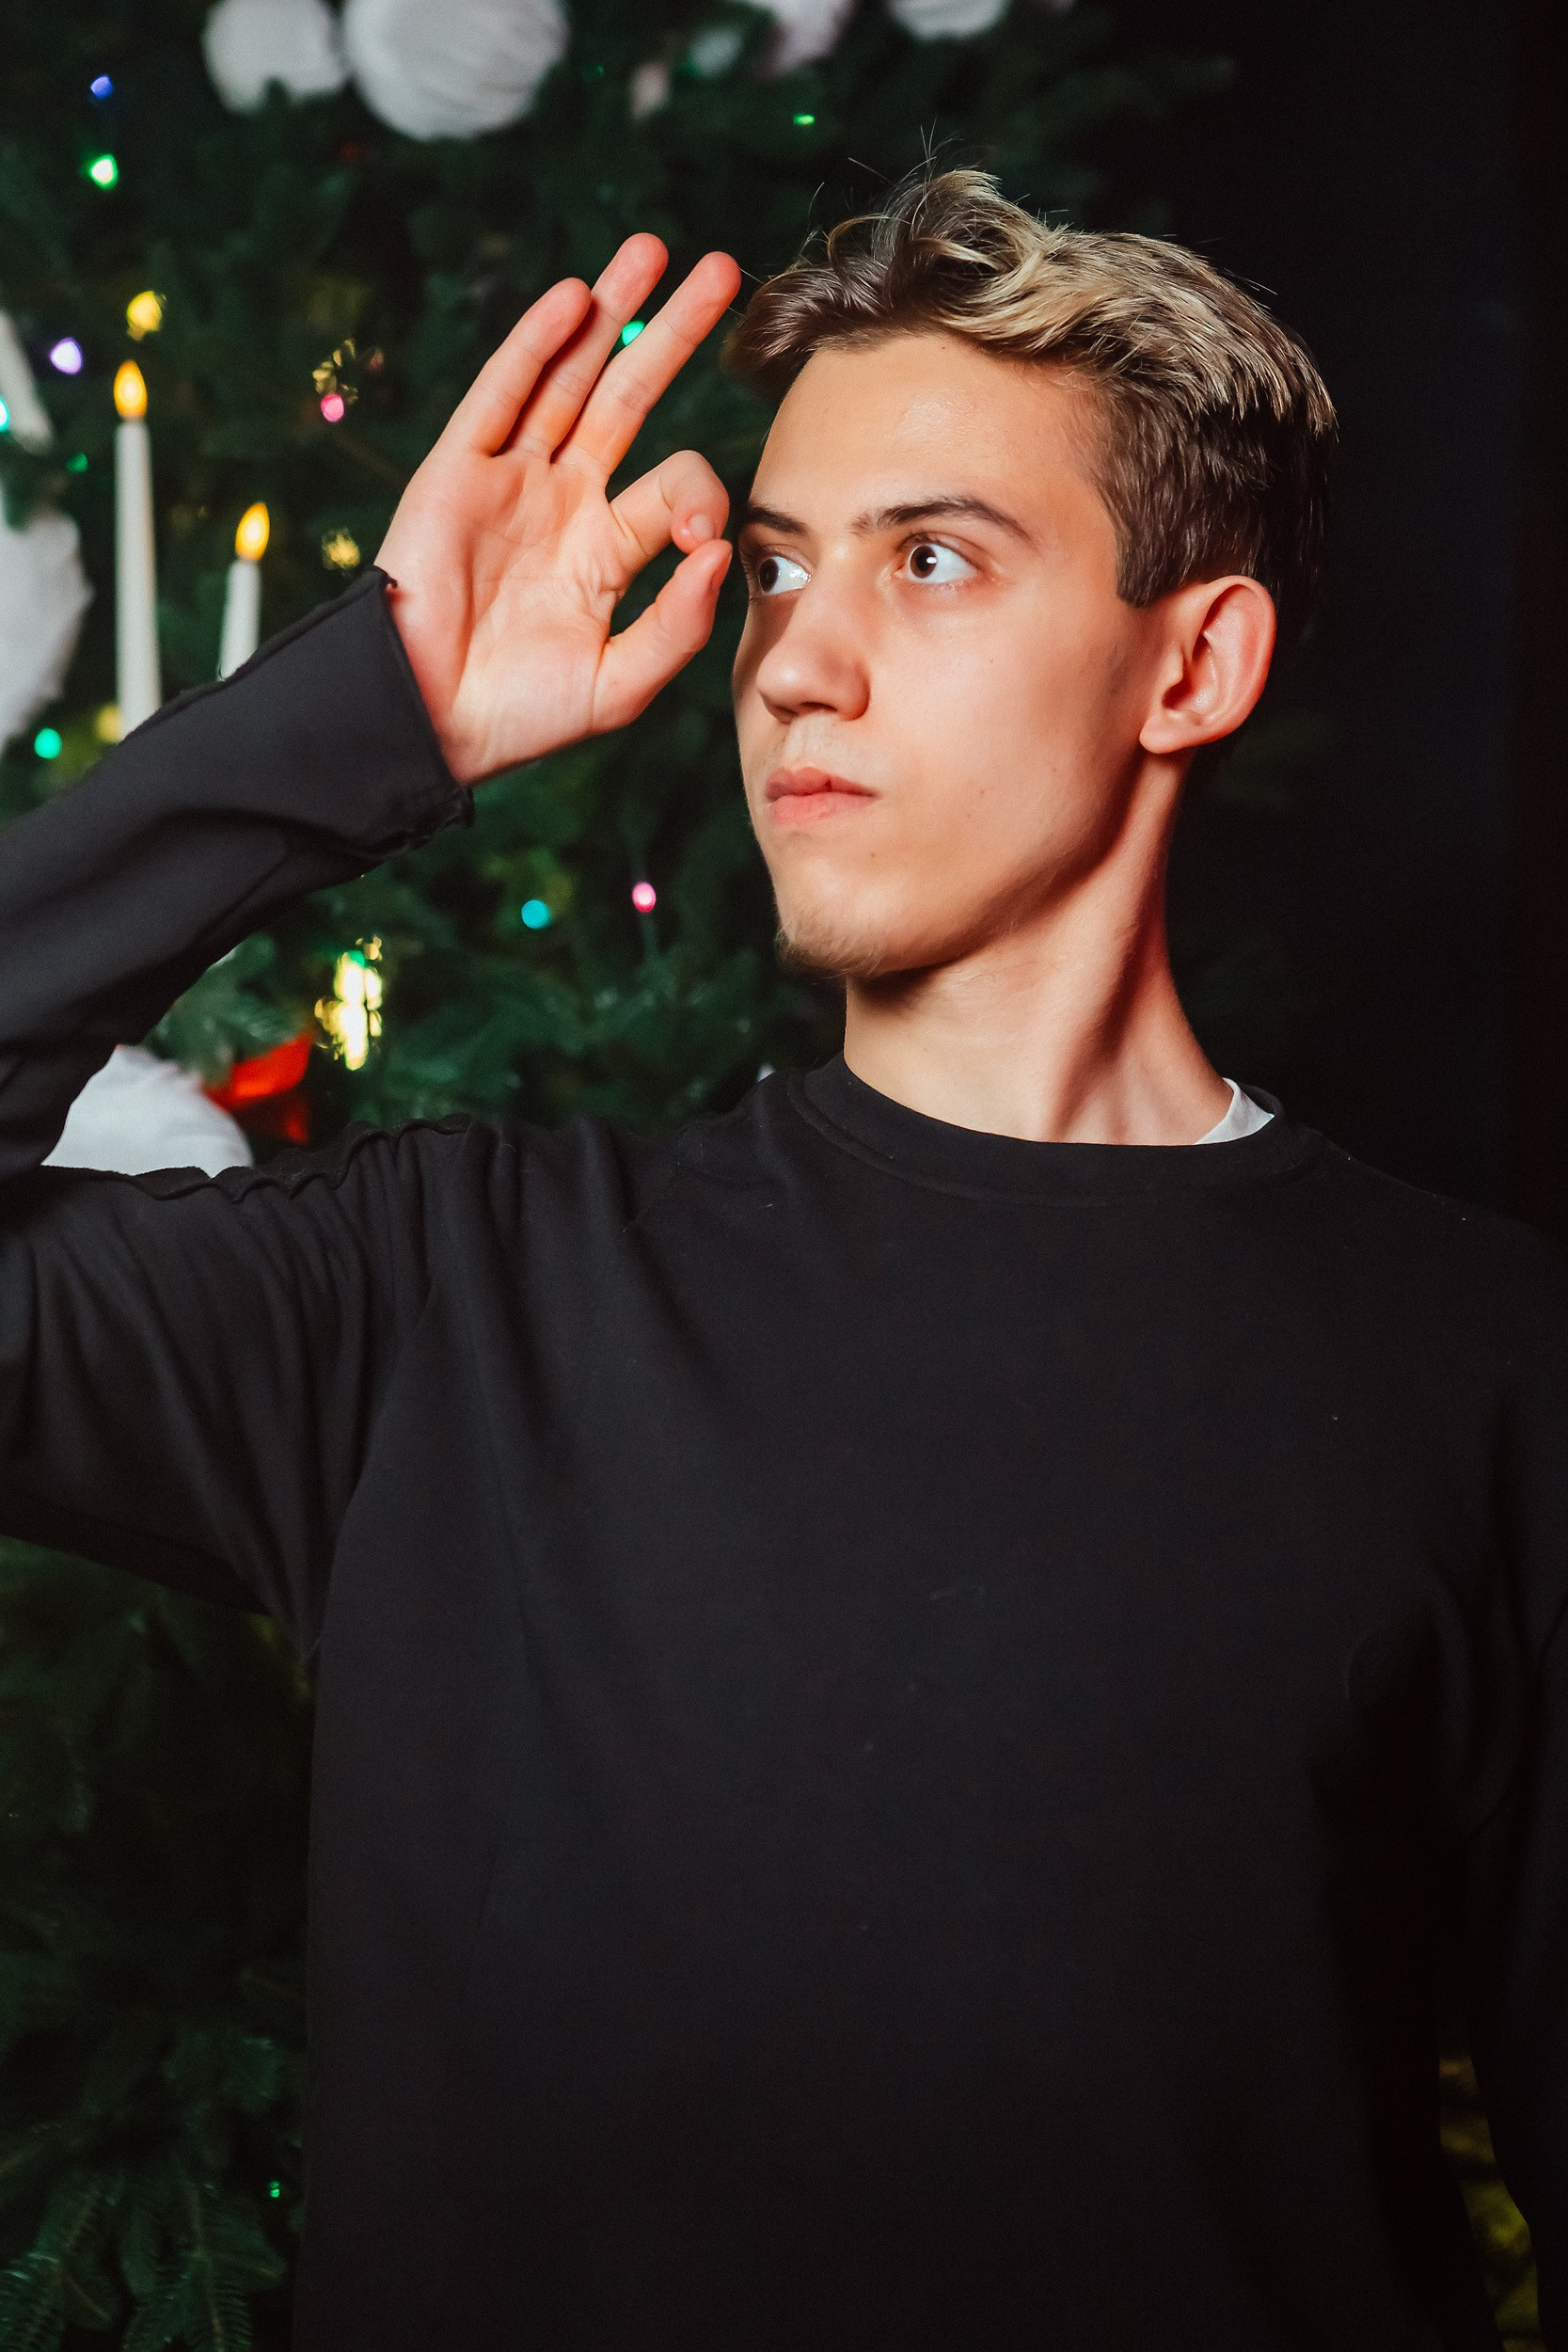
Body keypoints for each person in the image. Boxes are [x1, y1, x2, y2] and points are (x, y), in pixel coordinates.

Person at [0, 171, 1562, 2351]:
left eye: (933, 561)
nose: (793, 664)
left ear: (1192, 660)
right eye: (773, 565)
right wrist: (374, 711)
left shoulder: (1490, 1369)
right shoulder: (442, 1300)